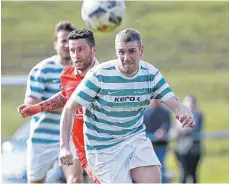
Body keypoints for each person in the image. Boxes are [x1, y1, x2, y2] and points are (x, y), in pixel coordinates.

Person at [21, 28, 195, 183]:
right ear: (116, 52)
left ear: (141, 51)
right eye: (121, 52)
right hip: (103, 148)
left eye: (131, 51)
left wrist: (183, 112)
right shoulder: (99, 75)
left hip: (134, 139)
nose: (126, 58)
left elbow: (173, 101)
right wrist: (64, 147)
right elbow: (69, 106)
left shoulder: (150, 74)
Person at [18, 29, 100, 183]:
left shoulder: (101, 74)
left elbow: (74, 103)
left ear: (92, 49)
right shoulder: (64, 73)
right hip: (44, 137)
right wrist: (36, 108)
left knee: (75, 179)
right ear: (55, 44)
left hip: (94, 138)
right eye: (72, 49)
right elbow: (66, 98)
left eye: (80, 49)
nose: (75, 53)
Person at [174, 95, 204, 183]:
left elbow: (195, 128)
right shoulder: (179, 116)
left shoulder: (198, 115)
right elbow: (175, 131)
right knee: (183, 172)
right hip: (181, 149)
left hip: (194, 149)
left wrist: (184, 131)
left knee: (193, 173)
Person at [143, 99, 172, 183]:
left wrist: (162, 131)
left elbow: (166, 125)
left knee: (161, 166)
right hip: (148, 145)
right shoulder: (145, 112)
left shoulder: (165, 112)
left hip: (161, 145)